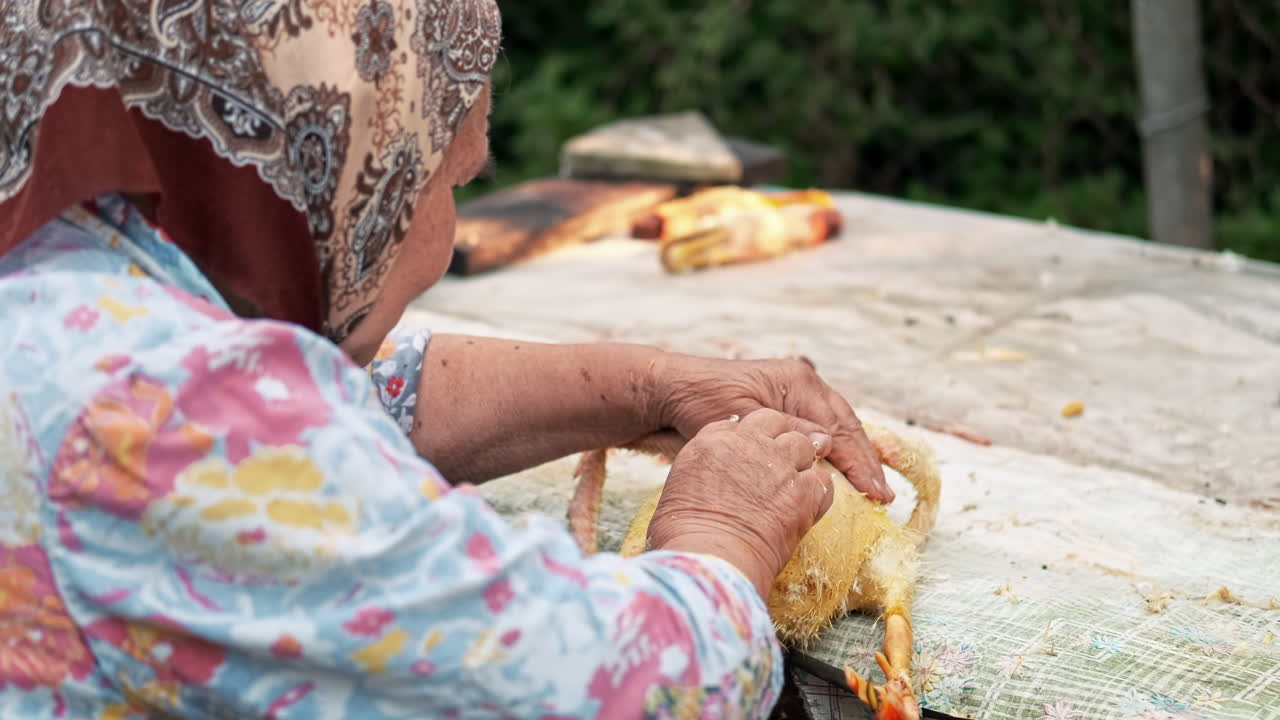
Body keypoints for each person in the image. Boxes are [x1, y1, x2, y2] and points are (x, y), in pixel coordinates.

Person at [0, 1, 892, 718]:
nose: (450, 231)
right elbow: (614, 689)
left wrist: (652, 385)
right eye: (448, 179)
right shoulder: (164, 415)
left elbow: (350, 401)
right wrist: (725, 532)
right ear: (340, 164)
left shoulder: (64, 273)